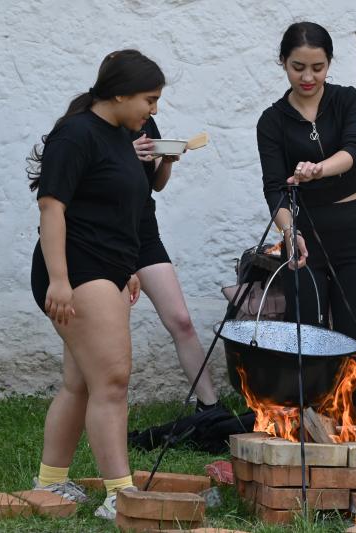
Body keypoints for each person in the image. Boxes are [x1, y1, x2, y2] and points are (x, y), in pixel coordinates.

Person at [27, 49, 162, 519]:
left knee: (80, 383)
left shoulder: (120, 136)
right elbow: (52, 209)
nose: (154, 109)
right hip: (77, 271)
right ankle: (119, 495)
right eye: (149, 99)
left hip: (106, 269)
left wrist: (127, 267)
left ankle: (51, 482)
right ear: (120, 93)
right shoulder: (76, 134)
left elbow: (110, 209)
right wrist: (59, 281)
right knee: (113, 380)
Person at [256, 21, 356, 415]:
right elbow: (274, 188)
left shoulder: (347, 100)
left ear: (329, 64)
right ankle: (306, 423)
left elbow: (353, 150)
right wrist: (289, 233)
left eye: (317, 67)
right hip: (304, 234)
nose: (307, 77)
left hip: (352, 231)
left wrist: (318, 170)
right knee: (306, 335)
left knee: (353, 338)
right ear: (282, 63)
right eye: (298, 67)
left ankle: (354, 424)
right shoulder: (272, 121)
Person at [131, 83, 219, 412]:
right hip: (107, 238)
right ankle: (104, 410)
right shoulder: (93, 128)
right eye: (149, 100)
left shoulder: (146, 124)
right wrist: (125, 154)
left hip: (143, 233)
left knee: (181, 320)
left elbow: (156, 184)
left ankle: (209, 407)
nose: (153, 109)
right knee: (111, 332)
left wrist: (166, 161)